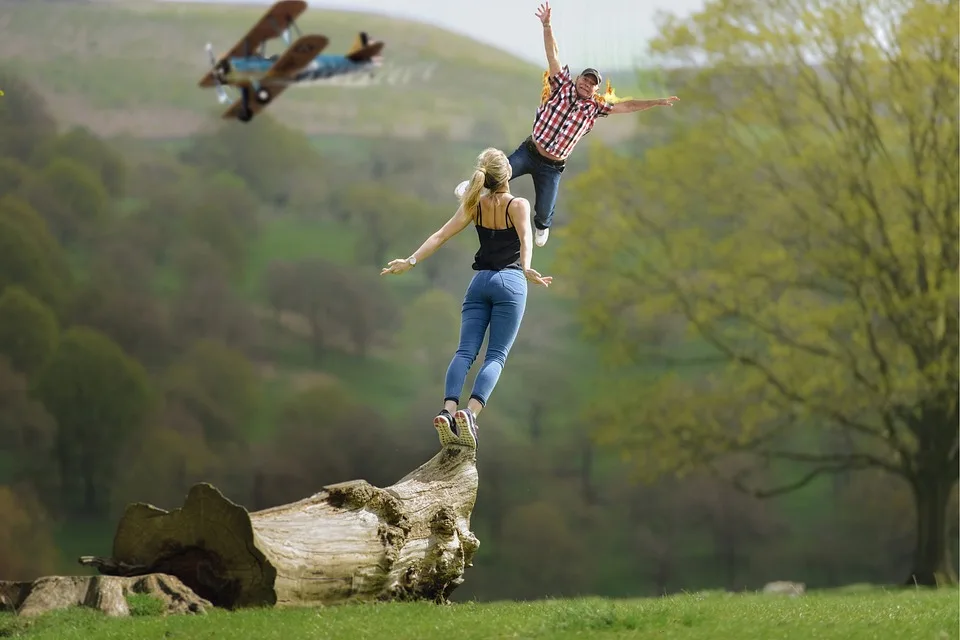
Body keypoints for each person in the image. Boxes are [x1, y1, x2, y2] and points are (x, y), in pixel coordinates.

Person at [456, 1, 679, 247]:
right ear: (578, 79)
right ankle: (471, 188)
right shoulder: (560, 85)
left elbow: (626, 106)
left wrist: (656, 102)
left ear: (596, 89)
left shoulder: (595, 108)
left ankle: (542, 226)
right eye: (585, 79)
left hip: (552, 167)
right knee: (500, 173)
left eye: (592, 83)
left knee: (543, 212)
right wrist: (547, 25)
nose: (586, 84)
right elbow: (552, 53)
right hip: (530, 150)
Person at [382, 148, 552, 449]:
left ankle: (447, 411)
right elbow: (527, 237)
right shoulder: (519, 205)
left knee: (464, 352)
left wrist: (410, 261)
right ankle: (470, 414)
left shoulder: (475, 204)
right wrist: (526, 267)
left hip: (479, 284)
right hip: (510, 282)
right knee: (496, 355)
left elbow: (440, 235)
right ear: (508, 174)